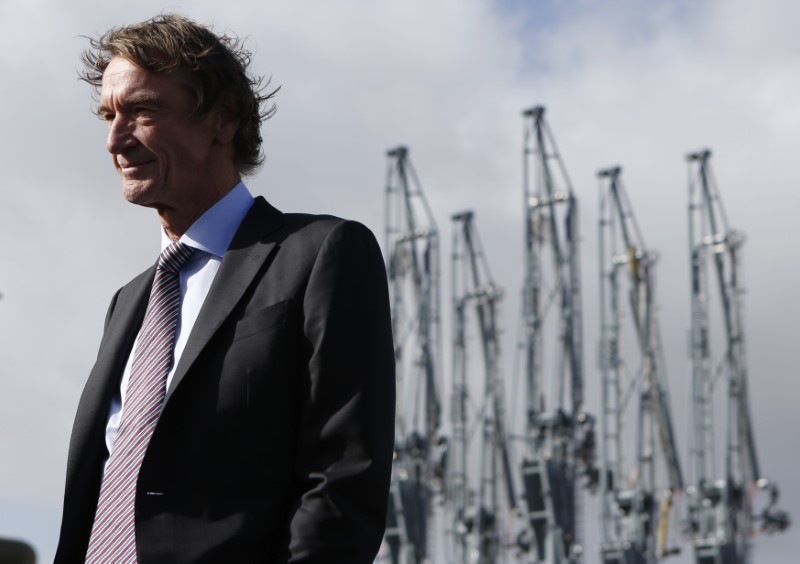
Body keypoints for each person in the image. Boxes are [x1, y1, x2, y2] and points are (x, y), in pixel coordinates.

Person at [55, 14, 395, 563]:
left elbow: (342, 479)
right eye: (108, 115)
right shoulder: (128, 302)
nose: (116, 139)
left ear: (223, 116)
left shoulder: (320, 252)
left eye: (143, 110)